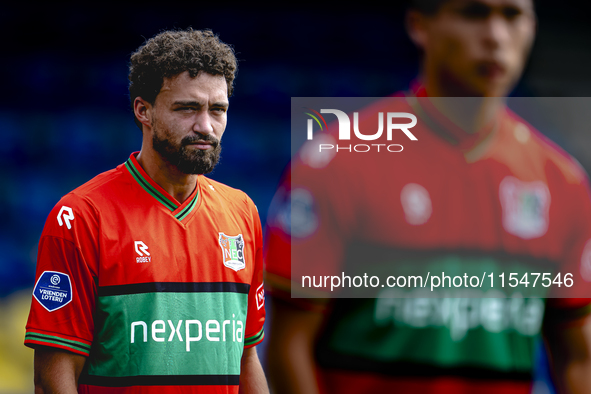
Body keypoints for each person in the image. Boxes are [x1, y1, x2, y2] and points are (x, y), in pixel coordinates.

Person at [264, 1, 591, 393]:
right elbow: (288, 347)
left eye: (512, 16)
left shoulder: (564, 182)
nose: (496, 36)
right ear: (420, 25)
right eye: (474, 13)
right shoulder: (337, 162)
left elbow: (577, 358)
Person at [24, 28, 269, 394]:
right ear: (144, 110)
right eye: (187, 108)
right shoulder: (82, 216)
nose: (206, 126)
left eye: (218, 110)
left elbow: (246, 358)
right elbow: (52, 377)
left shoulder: (242, 212)